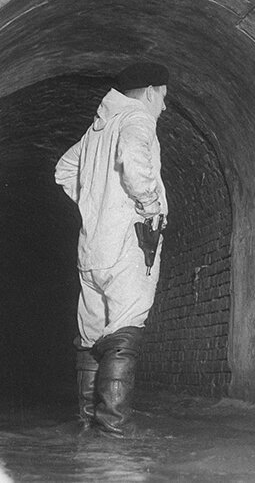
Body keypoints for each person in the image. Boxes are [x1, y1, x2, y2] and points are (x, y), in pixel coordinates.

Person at [54, 62, 170, 437]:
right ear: (151, 91)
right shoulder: (137, 119)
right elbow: (135, 162)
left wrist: (93, 201)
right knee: (125, 329)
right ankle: (115, 429)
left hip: (91, 247)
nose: (164, 107)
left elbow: (63, 169)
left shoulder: (96, 131)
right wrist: (149, 206)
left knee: (91, 336)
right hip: (126, 242)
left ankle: (88, 426)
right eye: (164, 97)